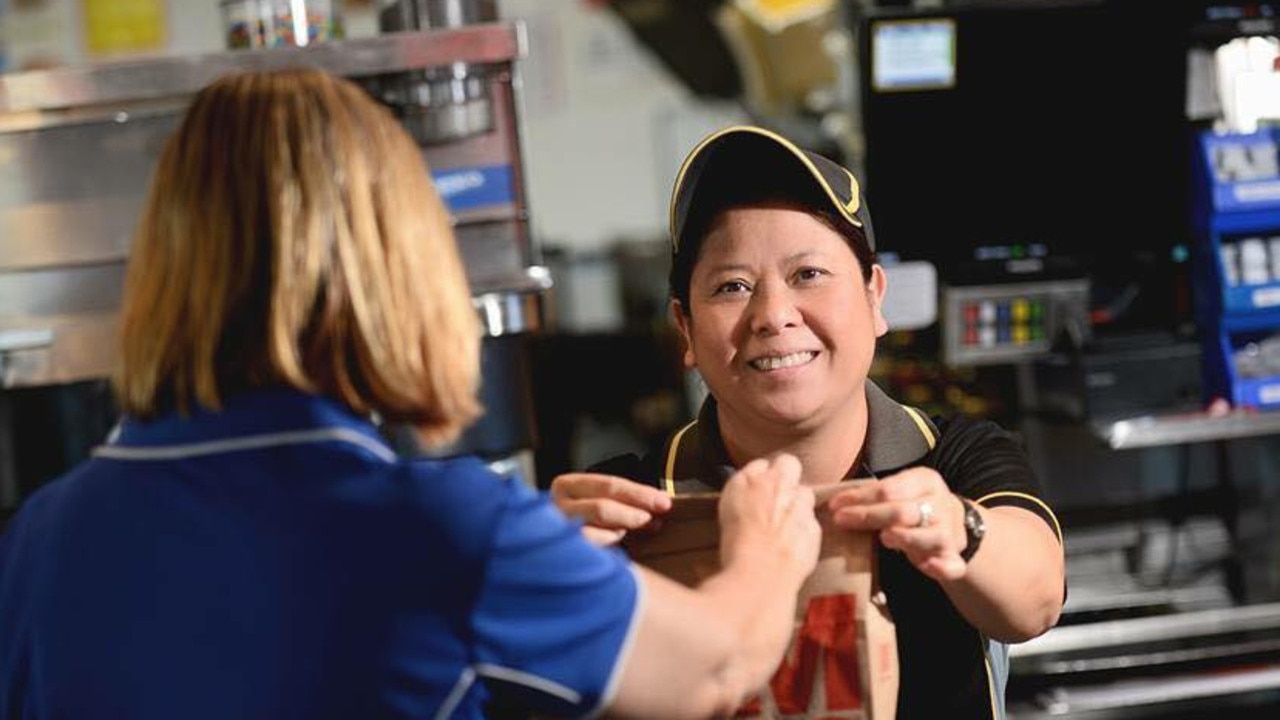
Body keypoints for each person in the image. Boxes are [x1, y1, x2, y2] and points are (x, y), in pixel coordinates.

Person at [0, 71, 823, 720]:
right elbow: (712, 668)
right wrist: (764, 548)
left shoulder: (42, 535)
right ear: (393, 265)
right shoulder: (443, 526)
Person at [551, 125, 1067, 720]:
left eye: (808, 275)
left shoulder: (953, 459)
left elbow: (1034, 602)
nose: (773, 315)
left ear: (875, 296)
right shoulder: (634, 508)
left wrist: (954, 527)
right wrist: (544, 572)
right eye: (732, 286)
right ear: (686, 328)